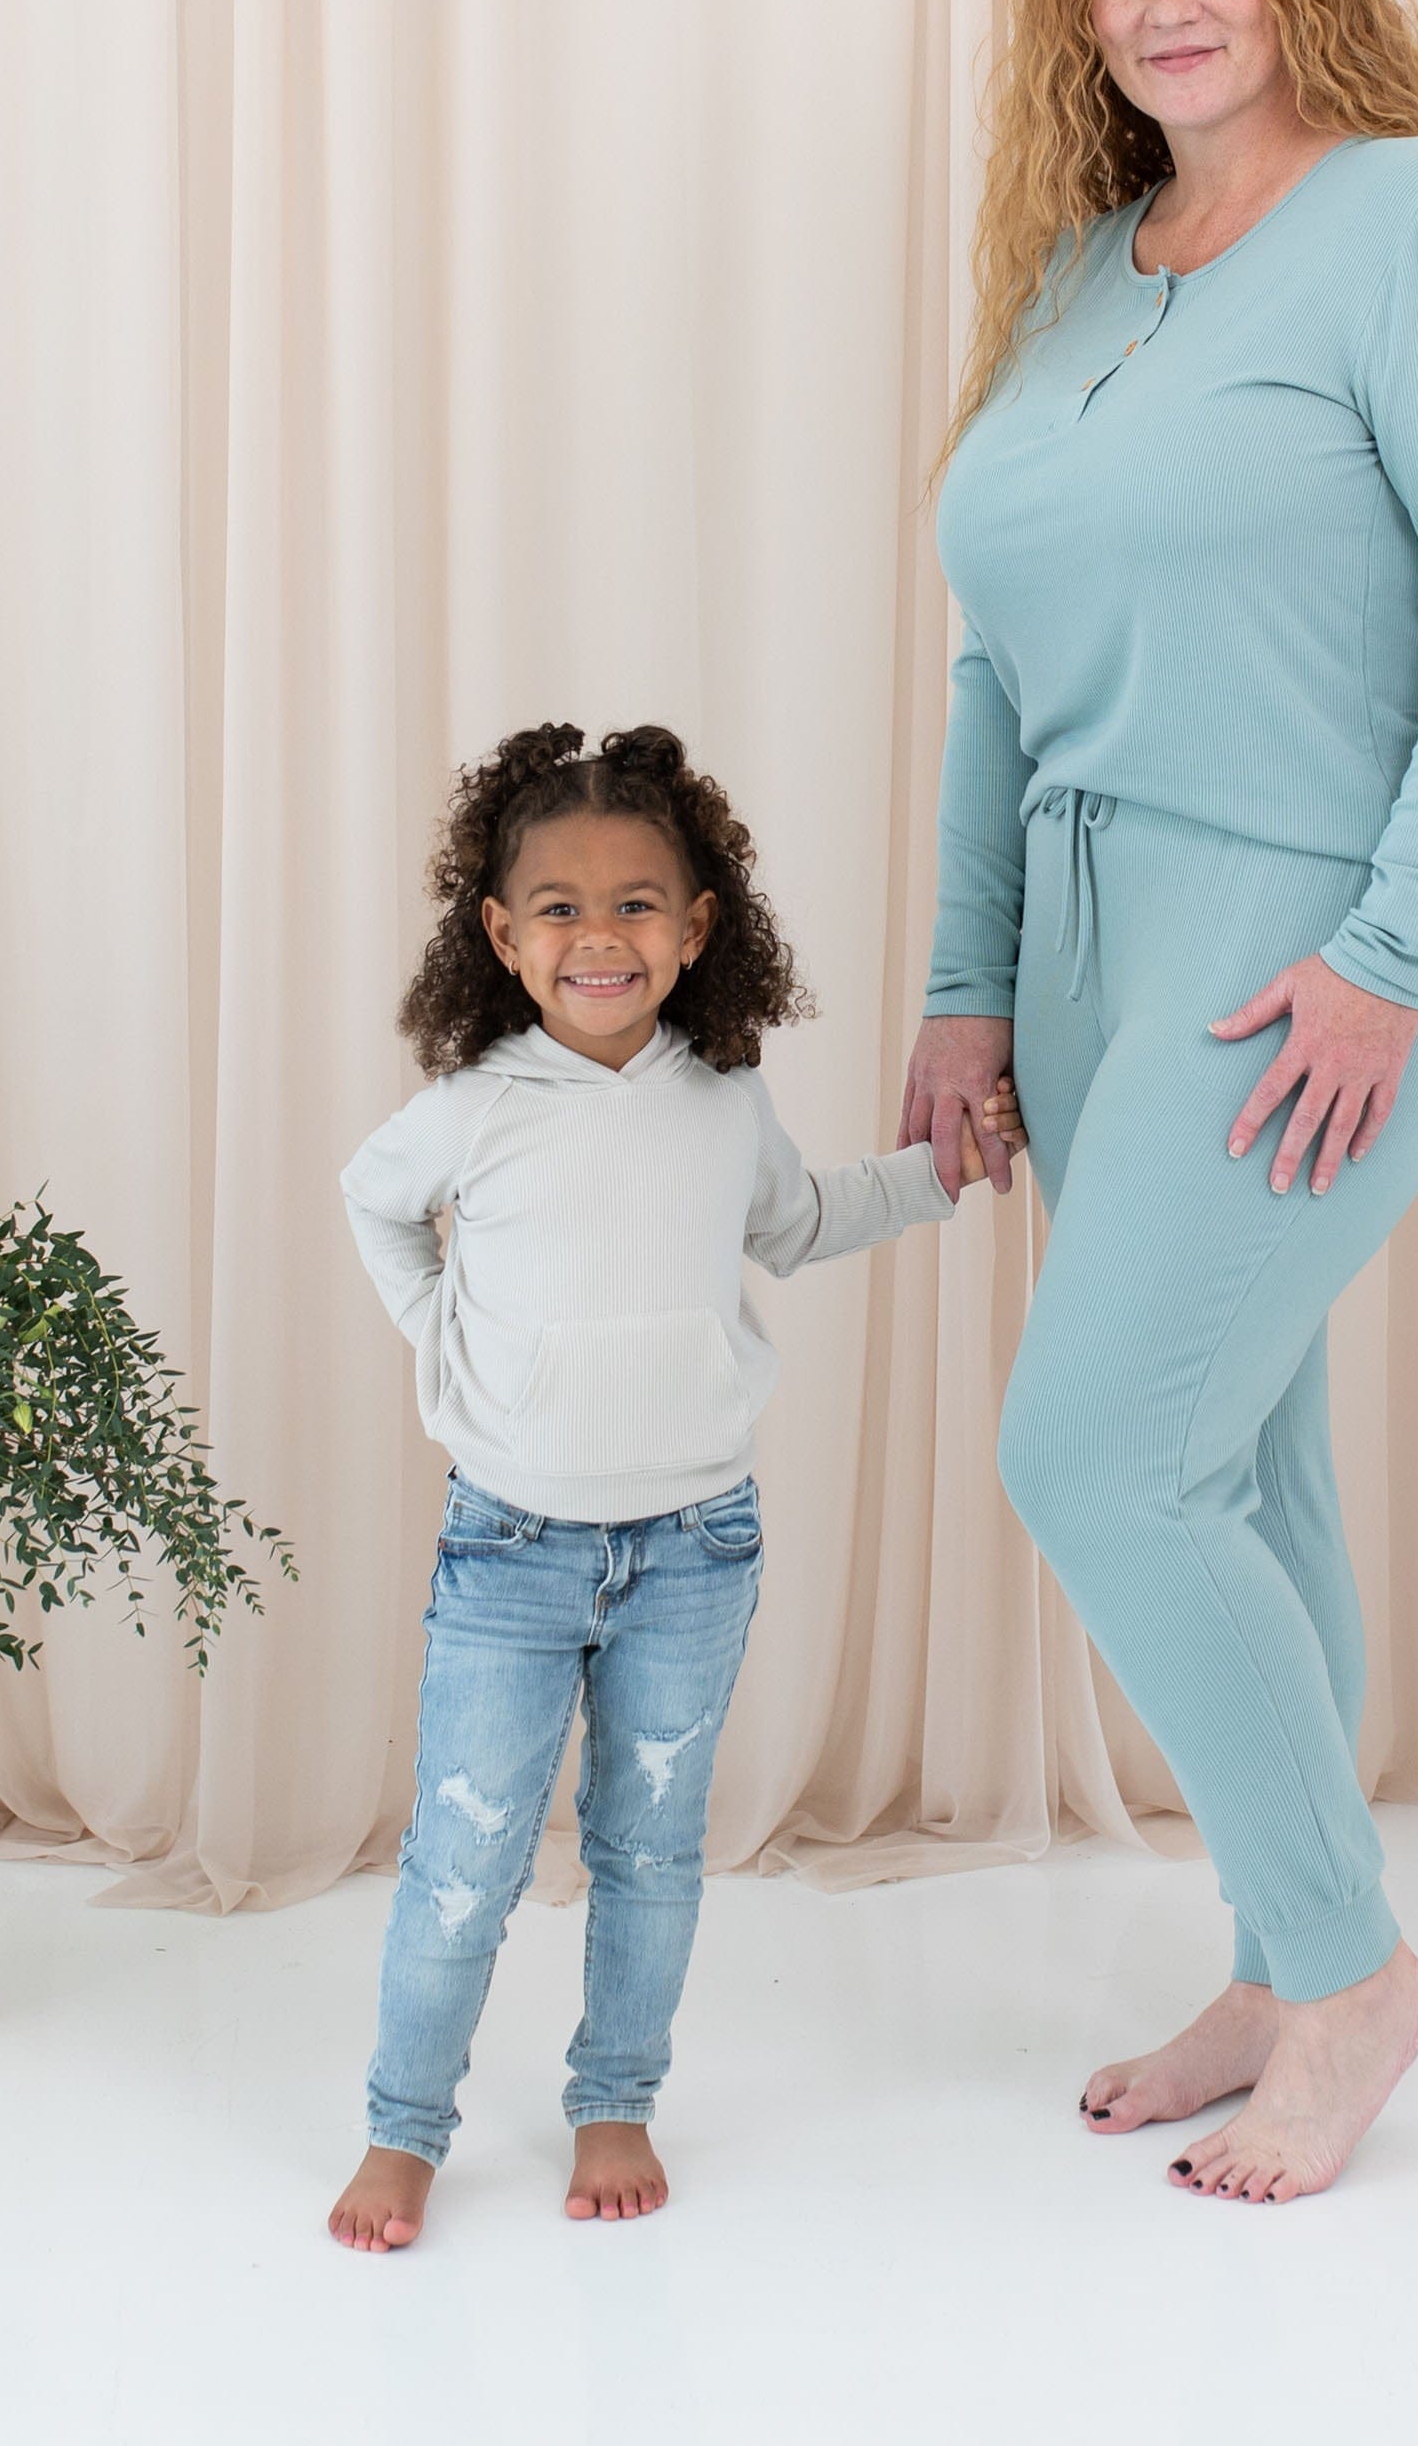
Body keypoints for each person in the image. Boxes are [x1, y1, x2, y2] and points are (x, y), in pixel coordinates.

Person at [900, 0, 1418, 2205]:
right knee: (1239, 1464)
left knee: (1096, 1453)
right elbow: (998, 671)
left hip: (1317, 937)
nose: (1169, 4)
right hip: (1088, 965)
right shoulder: (1089, 272)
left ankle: (1359, 1969)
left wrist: (1391, 952)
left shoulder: (1409, 225)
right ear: (1075, 18)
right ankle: (1285, 1962)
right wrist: (967, 990)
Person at [329, 720, 1021, 2251]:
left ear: (698, 929)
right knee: (464, 1857)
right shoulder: (474, 1107)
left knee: (651, 1851)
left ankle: (615, 2097)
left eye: (638, 902)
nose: (600, 935)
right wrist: (443, 1343)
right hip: (508, 1547)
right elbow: (376, 1208)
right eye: (560, 907)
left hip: (696, 1547)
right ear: (501, 938)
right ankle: (405, 2126)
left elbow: (798, 1225)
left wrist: (937, 1174)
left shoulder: (723, 1098)